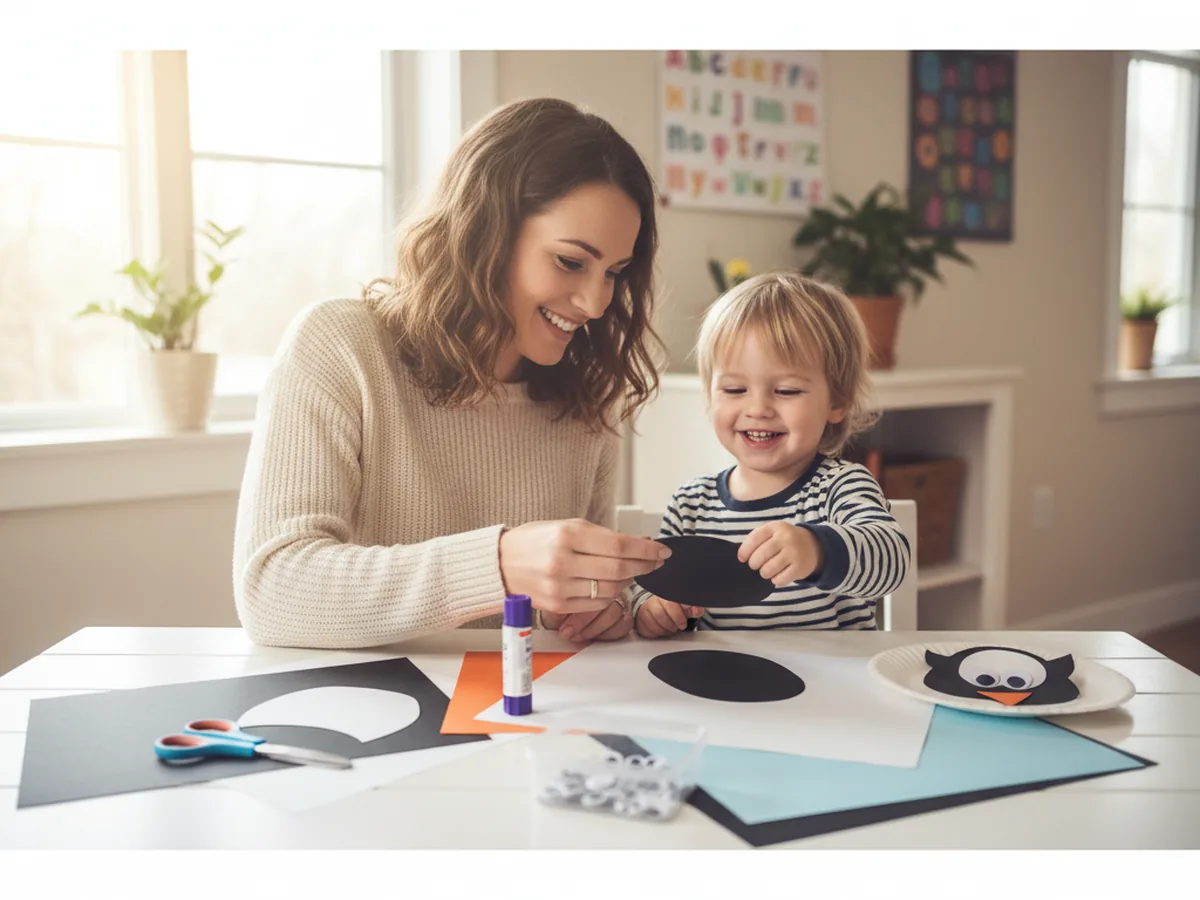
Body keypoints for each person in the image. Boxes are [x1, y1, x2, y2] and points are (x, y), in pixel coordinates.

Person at [232, 97, 674, 650]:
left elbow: (553, 616)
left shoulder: (585, 399)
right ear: (484, 235)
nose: (595, 301)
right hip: (365, 711)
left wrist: (585, 610)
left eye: (614, 272)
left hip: (520, 715)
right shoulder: (340, 346)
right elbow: (273, 592)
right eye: (570, 261)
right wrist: (498, 565)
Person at [631, 271, 910, 636]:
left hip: (834, 685)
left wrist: (816, 550)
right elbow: (653, 582)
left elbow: (891, 563)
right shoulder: (691, 503)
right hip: (723, 681)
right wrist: (653, 609)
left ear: (837, 402)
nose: (758, 408)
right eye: (734, 389)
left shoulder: (841, 486)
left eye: (787, 391)